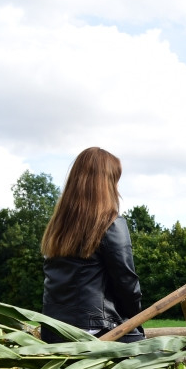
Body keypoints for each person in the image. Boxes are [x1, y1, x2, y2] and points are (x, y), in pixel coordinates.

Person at [40, 147, 145, 343]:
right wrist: (135, 318)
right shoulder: (110, 222)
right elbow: (127, 284)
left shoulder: (58, 225)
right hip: (94, 330)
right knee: (162, 358)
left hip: (53, 331)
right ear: (106, 184)